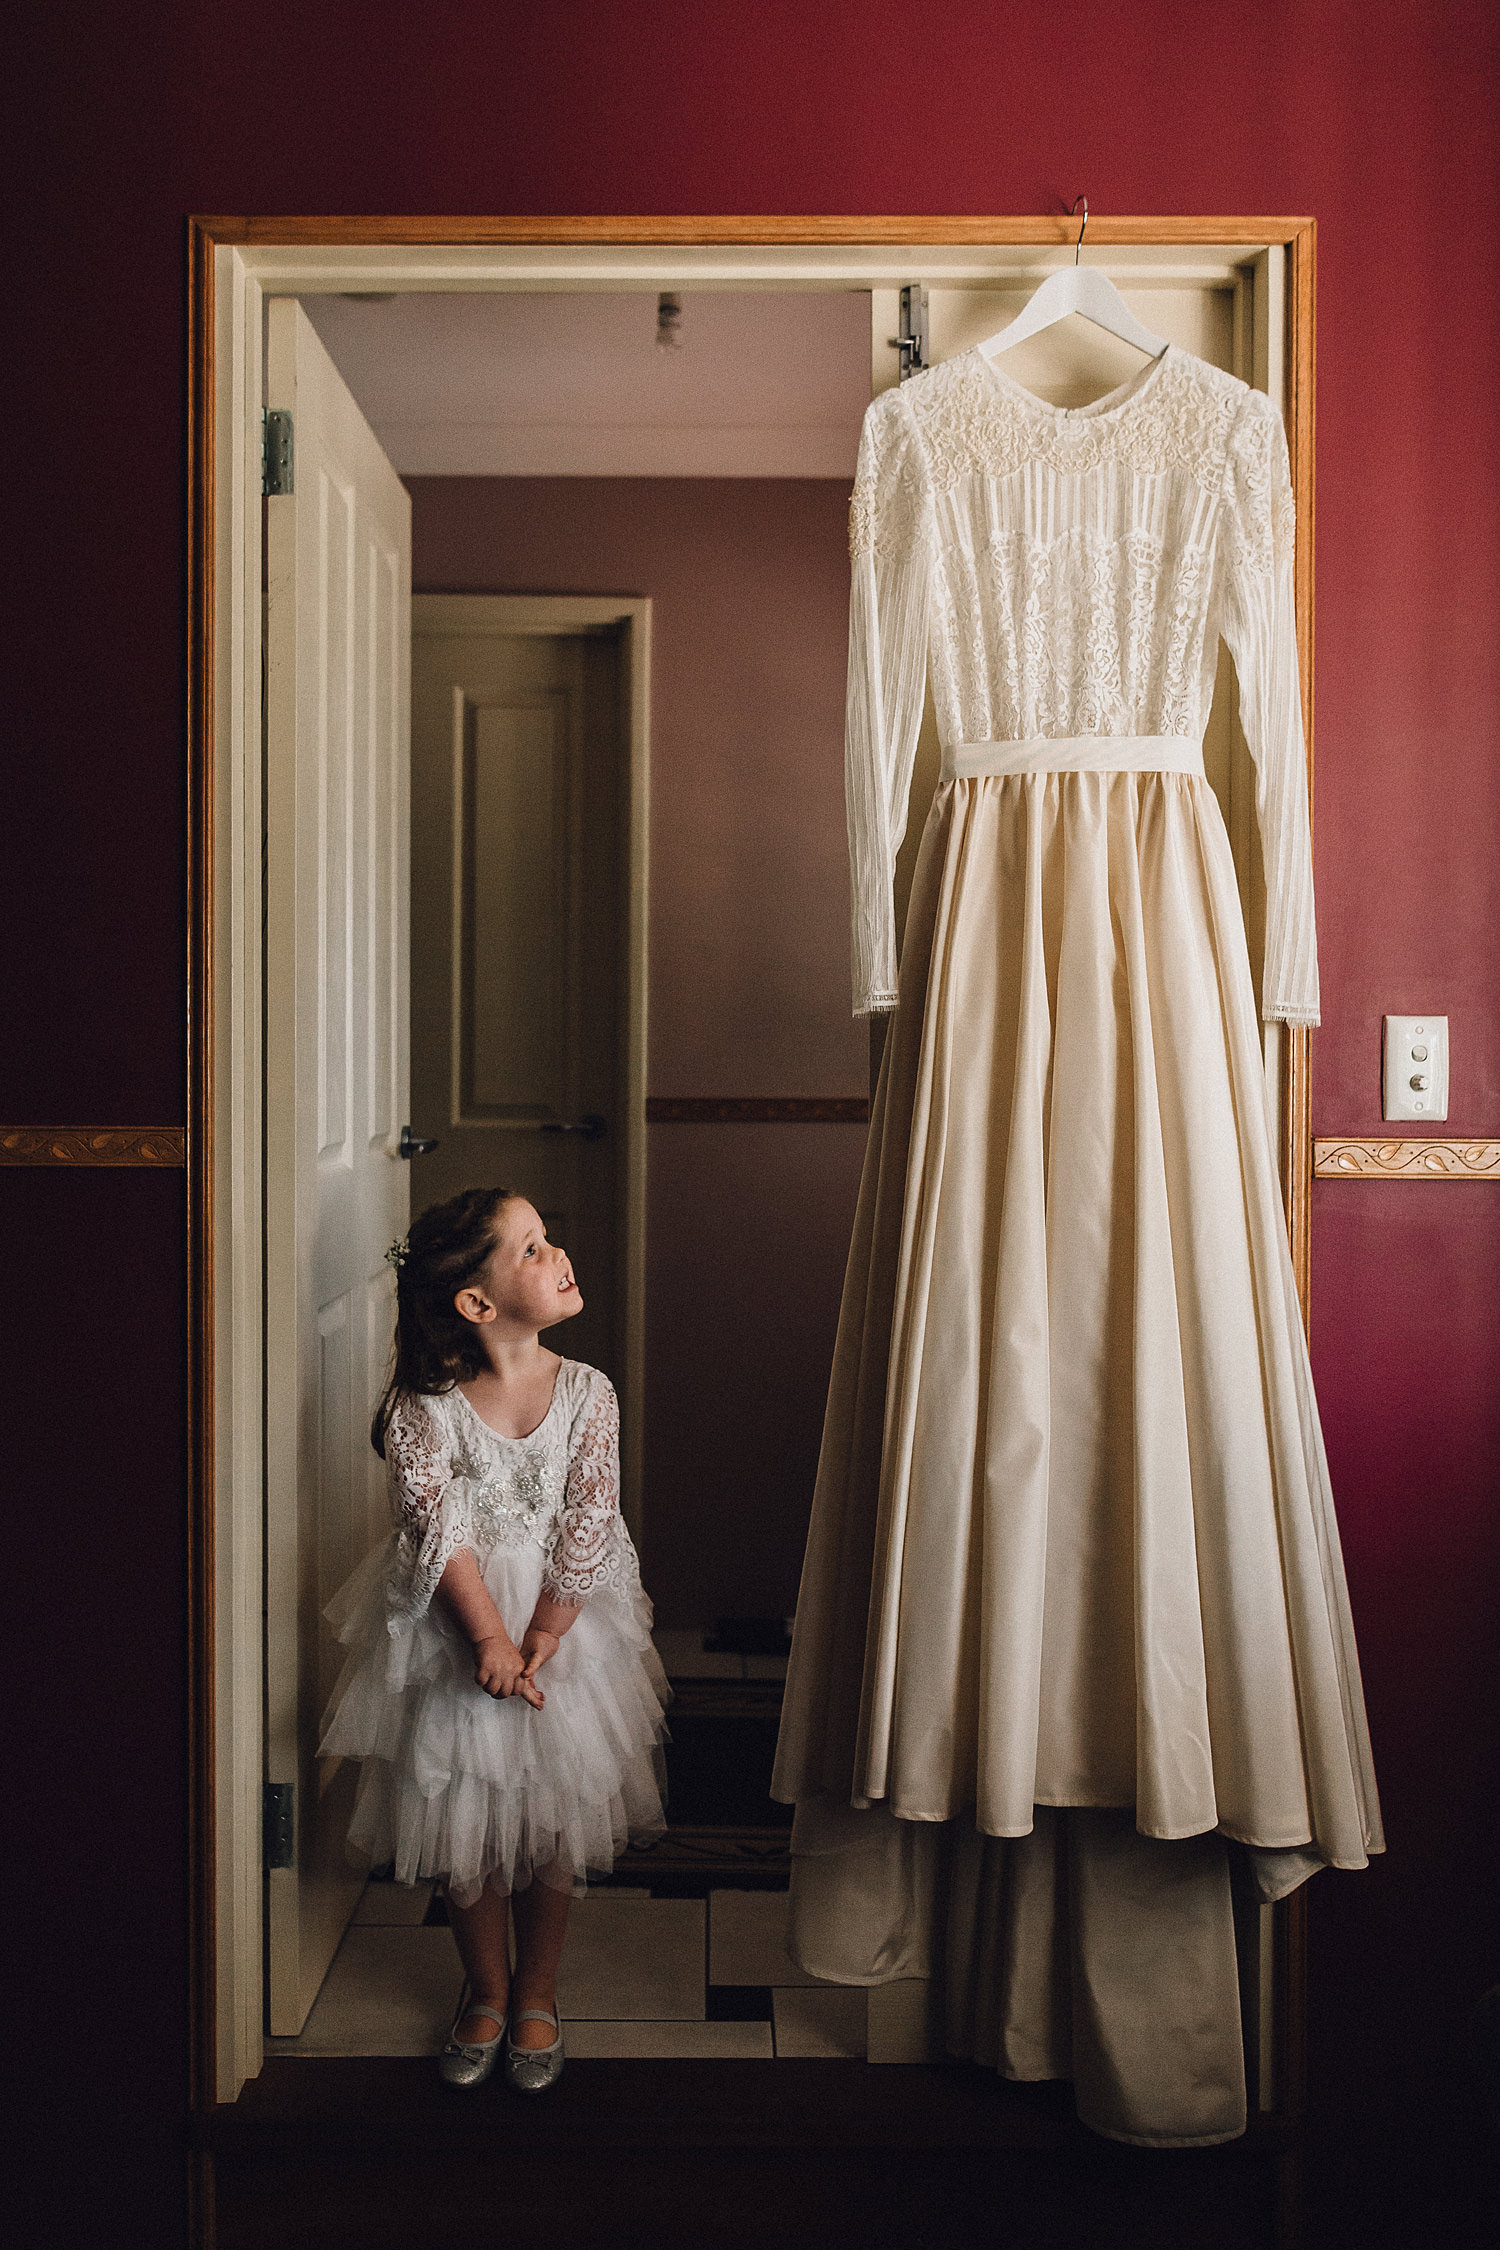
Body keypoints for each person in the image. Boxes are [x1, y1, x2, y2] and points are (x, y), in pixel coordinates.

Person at [319, 1186, 669, 2092]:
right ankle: (484, 1986)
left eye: (548, 1240)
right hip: (457, 1618)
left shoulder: (589, 1392)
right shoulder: (421, 1409)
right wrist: (488, 1640)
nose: (557, 1256)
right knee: (463, 1809)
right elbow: (438, 1532)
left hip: (568, 1617)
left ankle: (540, 1989)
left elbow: (591, 1515)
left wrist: (545, 1630)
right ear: (477, 1304)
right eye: (531, 1249)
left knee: (556, 1813)